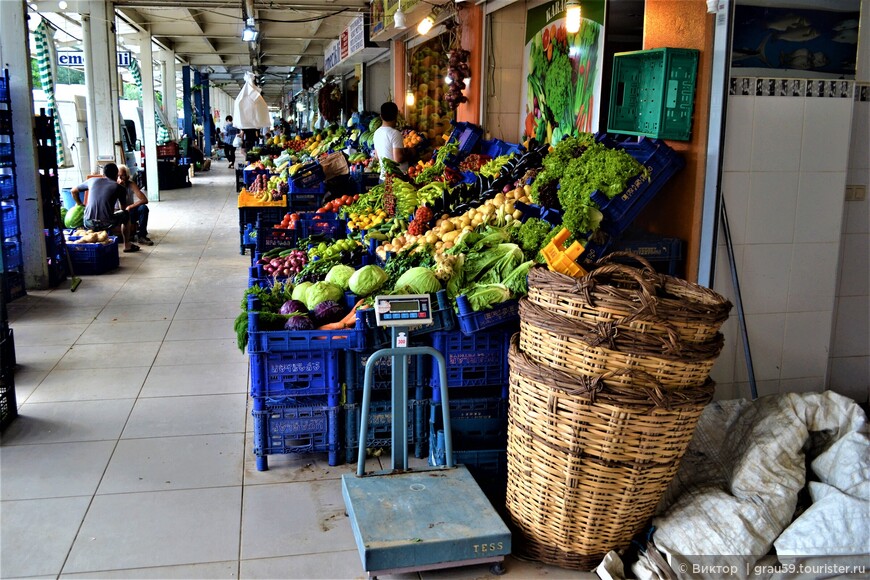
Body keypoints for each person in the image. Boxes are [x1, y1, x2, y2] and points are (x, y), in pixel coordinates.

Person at [71, 163, 138, 252]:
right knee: (126, 215)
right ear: (116, 174)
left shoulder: (92, 180)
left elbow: (73, 191)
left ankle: (85, 246)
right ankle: (127, 245)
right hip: (106, 223)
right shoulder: (120, 188)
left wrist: (80, 204)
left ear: (103, 174)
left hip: (87, 222)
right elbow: (123, 209)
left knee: (90, 220)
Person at [373, 101, 410, 181]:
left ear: (381, 116)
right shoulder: (395, 134)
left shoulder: (377, 133)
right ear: (396, 116)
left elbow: (376, 156)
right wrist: (411, 153)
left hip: (383, 177)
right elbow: (398, 159)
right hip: (395, 180)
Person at [117, 164, 152, 246]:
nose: (121, 178)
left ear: (128, 176)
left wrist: (130, 206)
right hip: (117, 214)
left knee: (143, 208)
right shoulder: (113, 185)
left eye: (123, 175)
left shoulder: (131, 184)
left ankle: (142, 236)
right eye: (118, 176)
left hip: (129, 212)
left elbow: (144, 200)